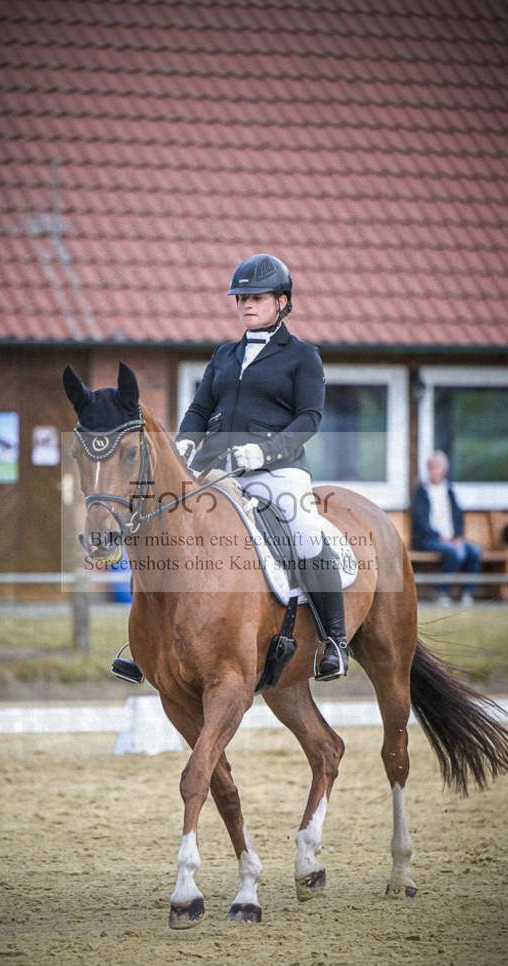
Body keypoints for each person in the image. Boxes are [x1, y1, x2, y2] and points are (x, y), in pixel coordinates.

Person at [175, 253, 350, 680]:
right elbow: (200, 409)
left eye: (256, 297)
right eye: (241, 298)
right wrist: (185, 441)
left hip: (279, 471)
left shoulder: (303, 356)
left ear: (282, 301)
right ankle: (150, 638)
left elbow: (309, 417)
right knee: (170, 526)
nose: (247, 304)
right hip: (218, 470)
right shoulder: (224, 355)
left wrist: (265, 452)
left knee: (304, 531)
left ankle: (335, 641)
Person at [411, 451, 482, 608]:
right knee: (458, 553)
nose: (433, 470)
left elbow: (458, 516)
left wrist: (458, 535)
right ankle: (441, 592)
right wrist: (439, 536)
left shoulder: (449, 490)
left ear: (444, 469)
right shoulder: (421, 491)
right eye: (430, 467)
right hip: (429, 539)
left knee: (475, 550)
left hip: (451, 538)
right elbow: (421, 520)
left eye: (436, 467)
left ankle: (467, 592)